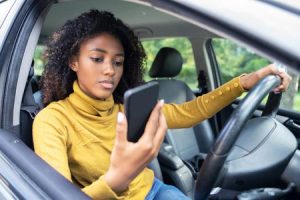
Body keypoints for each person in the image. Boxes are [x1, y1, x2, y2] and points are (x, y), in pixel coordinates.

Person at [33, 10, 291, 200]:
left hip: (155, 191)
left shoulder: (125, 107)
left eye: (118, 62)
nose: (110, 70)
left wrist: (245, 82)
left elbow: (191, 112)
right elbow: (57, 196)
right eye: (97, 58)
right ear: (73, 62)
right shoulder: (53, 120)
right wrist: (117, 180)